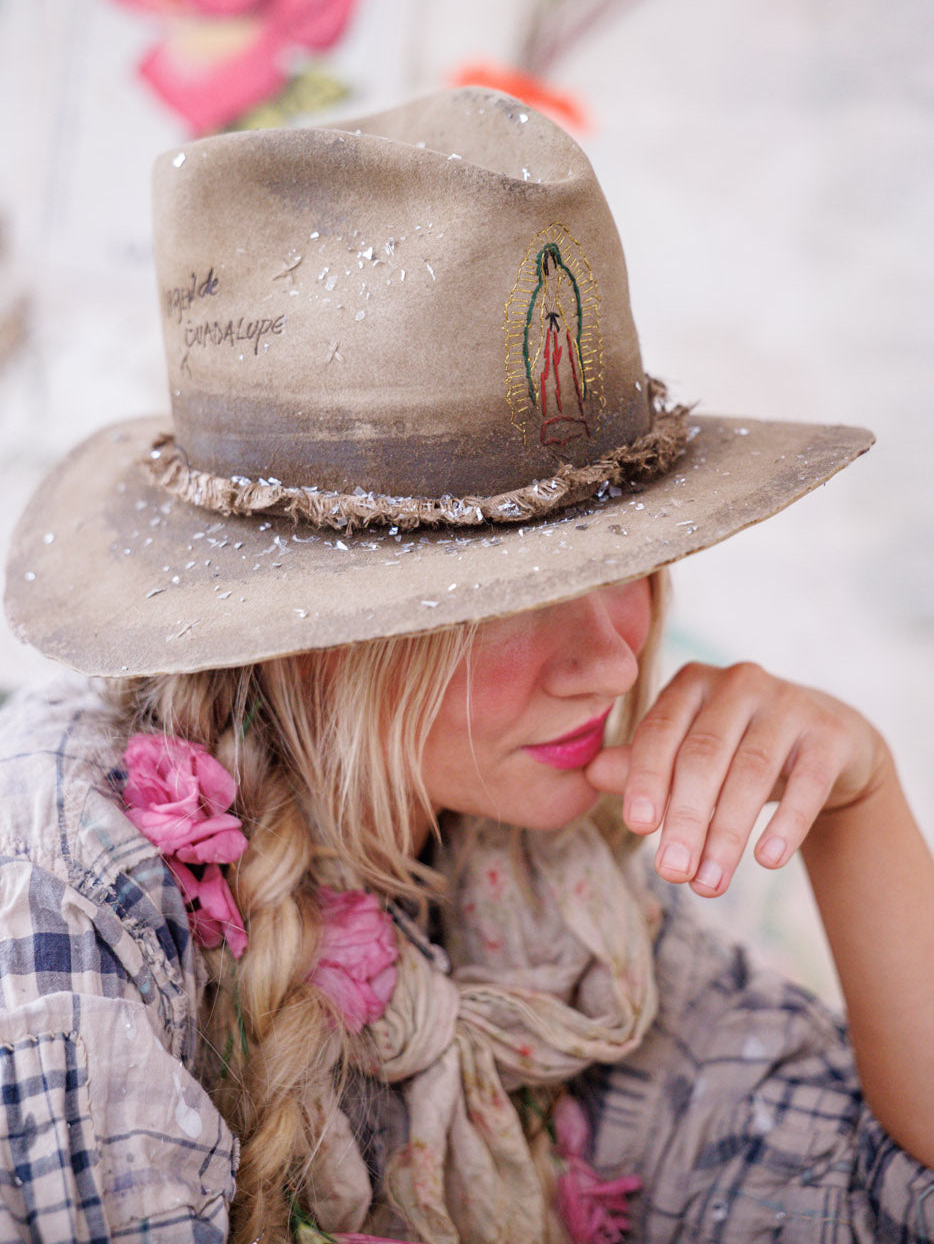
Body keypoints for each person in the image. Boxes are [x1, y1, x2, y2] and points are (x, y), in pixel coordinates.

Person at [1, 87, 931, 1244]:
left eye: (628, 556)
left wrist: (861, 808)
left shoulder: (539, 873)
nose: (613, 656)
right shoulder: (66, 870)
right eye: (516, 595)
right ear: (315, 617)